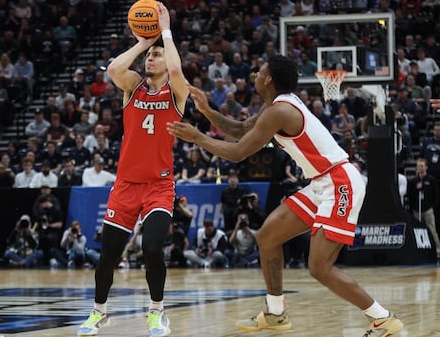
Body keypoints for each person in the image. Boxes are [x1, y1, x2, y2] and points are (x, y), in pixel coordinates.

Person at [167, 55, 403, 335]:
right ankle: (276, 312)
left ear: (268, 79)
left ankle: (383, 318)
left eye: (259, 71)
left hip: (340, 183)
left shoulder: (279, 111)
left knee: (319, 268)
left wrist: (198, 138)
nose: (255, 74)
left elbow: (239, 152)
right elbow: (241, 130)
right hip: (321, 183)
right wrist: (207, 111)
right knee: (267, 237)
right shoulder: (275, 107)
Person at [78, 2, 189, 337]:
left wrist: (165, 32)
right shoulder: (133, 87)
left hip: (159, 186)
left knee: (152, 248)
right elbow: (113, 68)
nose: (151, 59)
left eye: (156, 55)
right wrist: (143, 41)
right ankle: (99, 312)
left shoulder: (176, 92)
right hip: (126, 185)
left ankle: (156, 312)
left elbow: (177, 71)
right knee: (108, 256)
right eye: (149, 57)